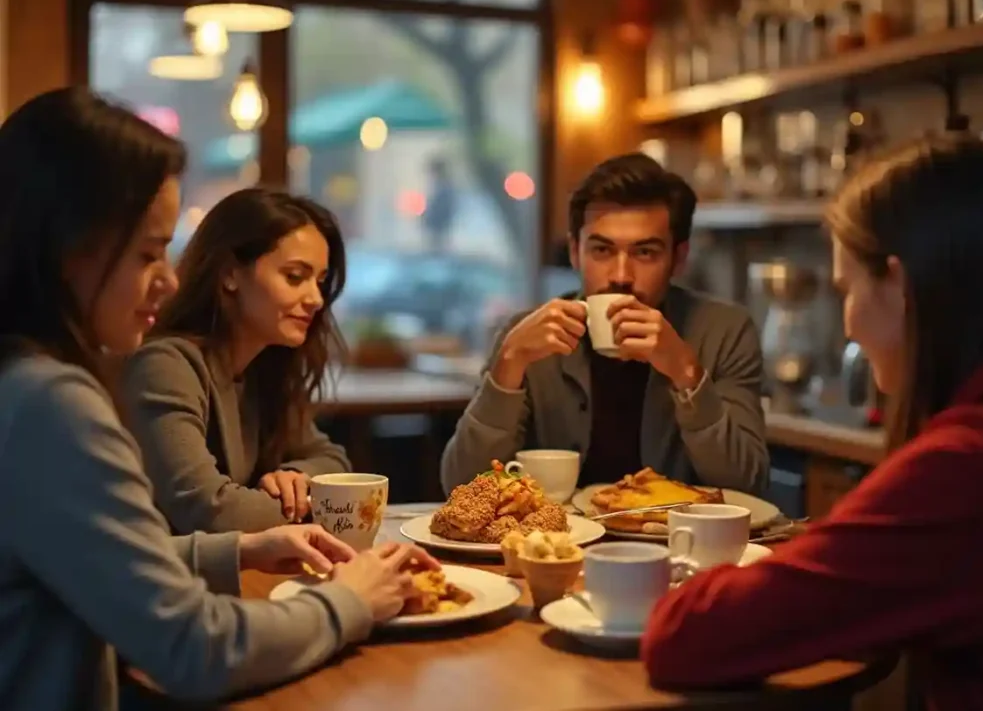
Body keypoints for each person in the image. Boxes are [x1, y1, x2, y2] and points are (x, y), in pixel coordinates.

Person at [0, 87, 437, 710]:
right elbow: (193, 648)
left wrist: (244, 547)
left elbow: (88, 559)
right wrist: (351, 601)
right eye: (149, 253)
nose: (169, 278)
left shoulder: (20, 380)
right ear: (71, 249)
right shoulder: (51, 404)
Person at [641, 136, 983, 710]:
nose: (847, 326)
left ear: (898, 285)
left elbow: (685, 636)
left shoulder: (968, 467)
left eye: (846, 289)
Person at [442, 153, 768, 494]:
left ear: (679, 259)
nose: (621, 276)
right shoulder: (526, 338)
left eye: (645, 253)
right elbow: (460, 487)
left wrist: (687, 373)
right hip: (556, 544)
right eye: (602, 250)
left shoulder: (725, 331)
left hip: (678, 541)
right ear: (574, 252)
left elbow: (748, 484)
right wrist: (508, 367)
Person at [122, 188, 351, 534]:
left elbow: (334, 461)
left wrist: (297, 477)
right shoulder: (165, 366)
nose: (316, 299)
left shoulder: (266, 367)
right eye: (294, 277)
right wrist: (313, 505)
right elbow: (211, 512)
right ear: (229, 274)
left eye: (319, 281)